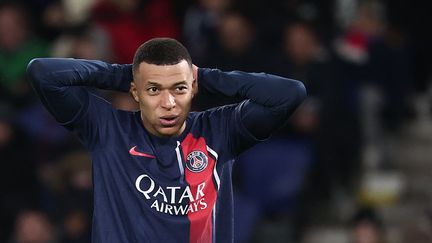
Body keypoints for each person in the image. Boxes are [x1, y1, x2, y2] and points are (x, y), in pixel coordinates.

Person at [27, 37, 306, 243]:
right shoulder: (107, 128)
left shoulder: (221, 129)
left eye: (179, 88)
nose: (168, 102)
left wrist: (206, 76)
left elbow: (289, 93)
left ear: (192, 88)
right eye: (153, 89)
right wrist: (124, 74)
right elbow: (43, 73)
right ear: (134, 91)